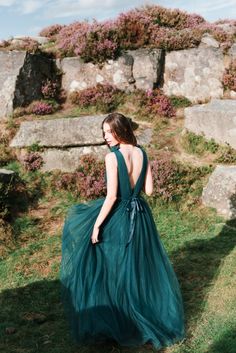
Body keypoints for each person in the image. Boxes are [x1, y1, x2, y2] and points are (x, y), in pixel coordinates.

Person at [60, 112, 185, 350]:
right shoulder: (142, 152)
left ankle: (122, 319)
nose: (105, 137)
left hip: (119, 216)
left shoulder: (113, 158)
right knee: (138, 266)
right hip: (141, 216)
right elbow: (149, 190)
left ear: (120, 130)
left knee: (113, 266)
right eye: (104, 132)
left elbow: (111, 197)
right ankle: (146, 313)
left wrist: (96, 224)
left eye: (109, 131)